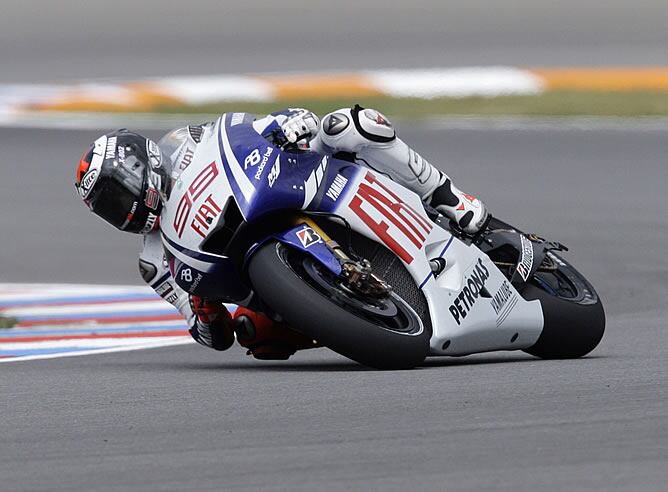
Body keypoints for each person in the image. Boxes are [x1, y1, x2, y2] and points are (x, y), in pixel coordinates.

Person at [75, 106, 489, 359]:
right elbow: (210, 337)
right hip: (248, 267)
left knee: (350, 125)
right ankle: (355, 317)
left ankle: (447, 196)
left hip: (287, 181)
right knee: (257, 336)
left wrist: (288, 125)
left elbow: (242, 132)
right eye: (108, 209)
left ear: (140, 164)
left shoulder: (188, 141)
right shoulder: (153, 261)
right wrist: (202, 310)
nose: (121, 209)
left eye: (117, 193)